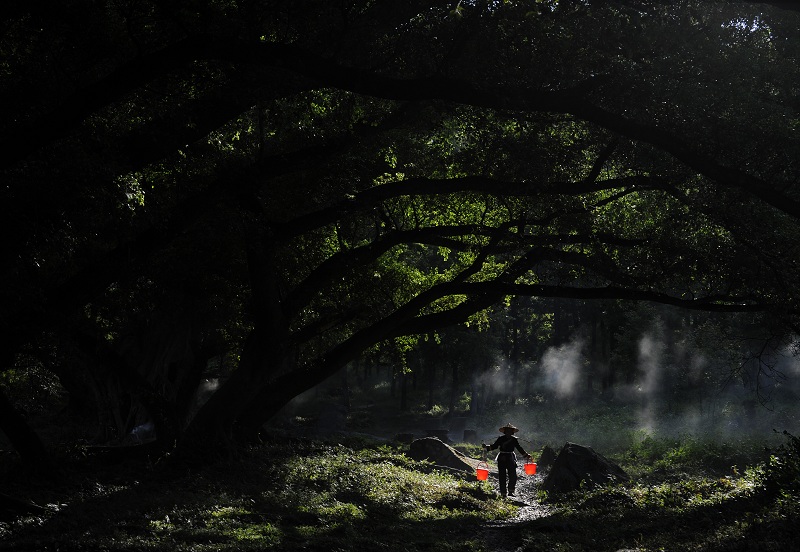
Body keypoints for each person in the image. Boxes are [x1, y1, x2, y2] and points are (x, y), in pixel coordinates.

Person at [483, 422, 531, 497]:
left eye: (510, 431)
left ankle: (511, 491)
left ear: (512, 432)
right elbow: (494, 446)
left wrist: (526, 455)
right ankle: (503, 493)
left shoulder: (514, 440)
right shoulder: (500, 439)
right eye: (507, 431)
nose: (508, 432)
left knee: (513, 475)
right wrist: (486, 447)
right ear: (505, 432)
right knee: (502, 475)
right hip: (502, 457)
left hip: (510, 457)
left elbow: (519, 448)